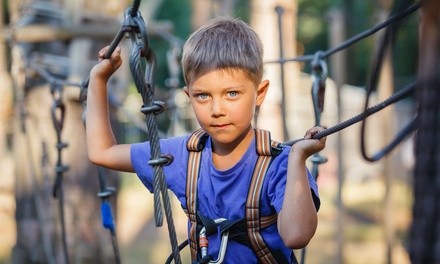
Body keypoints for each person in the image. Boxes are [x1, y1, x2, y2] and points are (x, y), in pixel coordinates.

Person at [86, 17, 326, 264]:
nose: (217, 109)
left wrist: (298, 158)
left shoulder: (280, 165)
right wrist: (98, 80)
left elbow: (297, 236)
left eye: (232, 94)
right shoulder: (181, 156)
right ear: (188, 96)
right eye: (202, 96)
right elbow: (102, 152)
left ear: (259, 93)